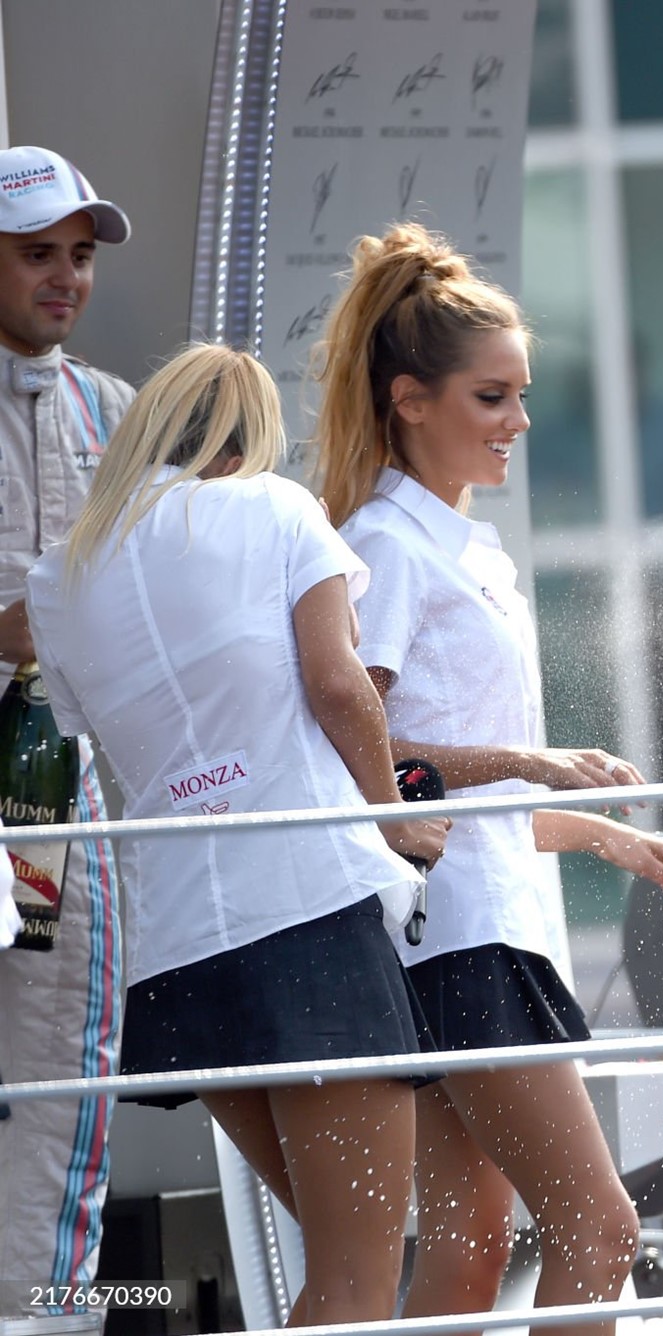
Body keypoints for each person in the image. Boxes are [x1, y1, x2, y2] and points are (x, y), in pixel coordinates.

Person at [314, 222, 663, 1336]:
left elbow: (457, 795)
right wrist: (533, 761)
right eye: (492, 398)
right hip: (458, 938)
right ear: (409, 399)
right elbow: (370, 759)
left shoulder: (467, 546)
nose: (520, 422)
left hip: (489, 923)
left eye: (522, 394)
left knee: (472, 1246)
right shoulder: (387, 544)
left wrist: (607, 838)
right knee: (601, 1228)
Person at [23, 343, 451, 1325]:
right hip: (303, 913)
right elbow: (341, 685)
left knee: (343, 1267)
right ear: (242, 440)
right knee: (358, 1281)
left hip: (175, 953)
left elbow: (99, 731)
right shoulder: (273, 508)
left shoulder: (64, 577)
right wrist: (394, 822)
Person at [0, 145, 131, 1321]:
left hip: (44, 789)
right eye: (38, 253)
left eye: (79, 256)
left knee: (60, 1062)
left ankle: (44, 1314)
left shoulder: (112, 409)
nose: (66, 278)